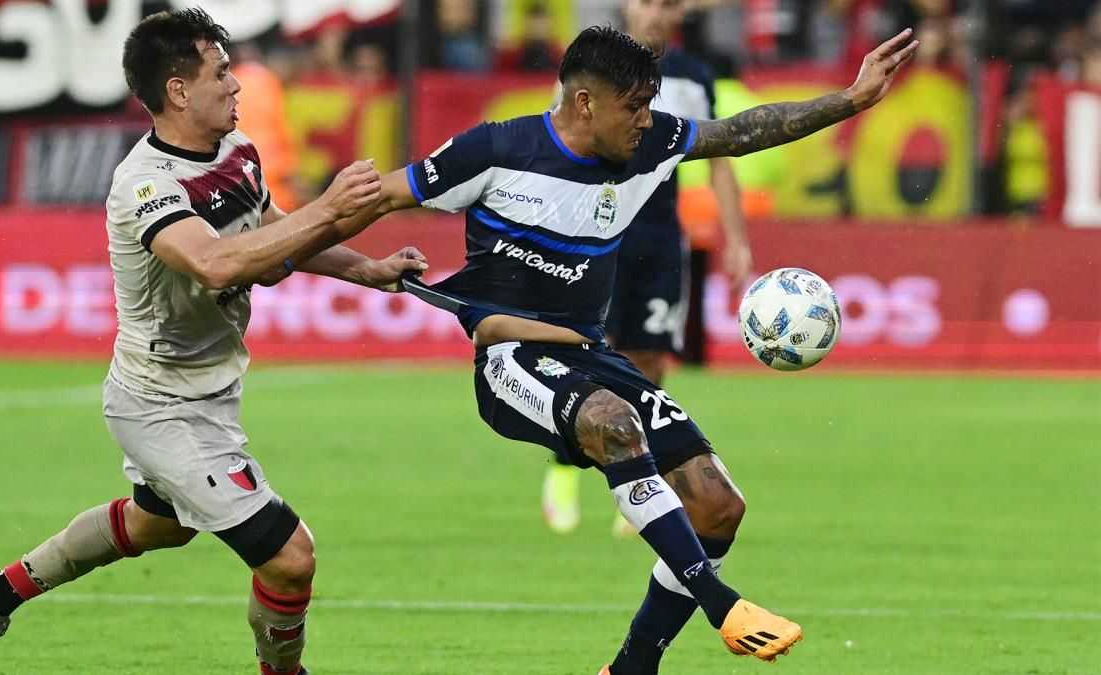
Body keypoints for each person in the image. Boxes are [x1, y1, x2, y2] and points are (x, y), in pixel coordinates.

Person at [349, 24, 917, 673]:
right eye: (636, 106)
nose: (648, 119)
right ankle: (722, 606)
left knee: (717, 503)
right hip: (512, 357)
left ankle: (631, 667)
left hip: (592, 355)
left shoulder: (652, 146)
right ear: (585, 102)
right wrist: (286, 244)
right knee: (614, 424)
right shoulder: (497, 149)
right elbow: (374, 199)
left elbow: (742, 131)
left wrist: (849, 100)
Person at [0, 9, 426, 675]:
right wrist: (331, 207)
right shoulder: (146, 185)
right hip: (159, 404)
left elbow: (274, 232)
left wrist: (365, 268)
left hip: (211, 391)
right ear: (178, 90)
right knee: (290, 557)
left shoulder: (238, 152)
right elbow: (216, 263)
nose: (236, 83)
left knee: (157, 525)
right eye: (220, 73)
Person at [541, 0, 754, 538]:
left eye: (666, 4)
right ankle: (563, 472)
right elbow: (556, 147)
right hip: (599, 234)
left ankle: (634, 484)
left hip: (660, 239)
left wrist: (735, 238)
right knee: (590, 359)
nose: (656, 14)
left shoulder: (694, 76)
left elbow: (719, 159)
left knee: (650, 361)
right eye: (647, 2)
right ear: (627, 7)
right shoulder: (592, 70)